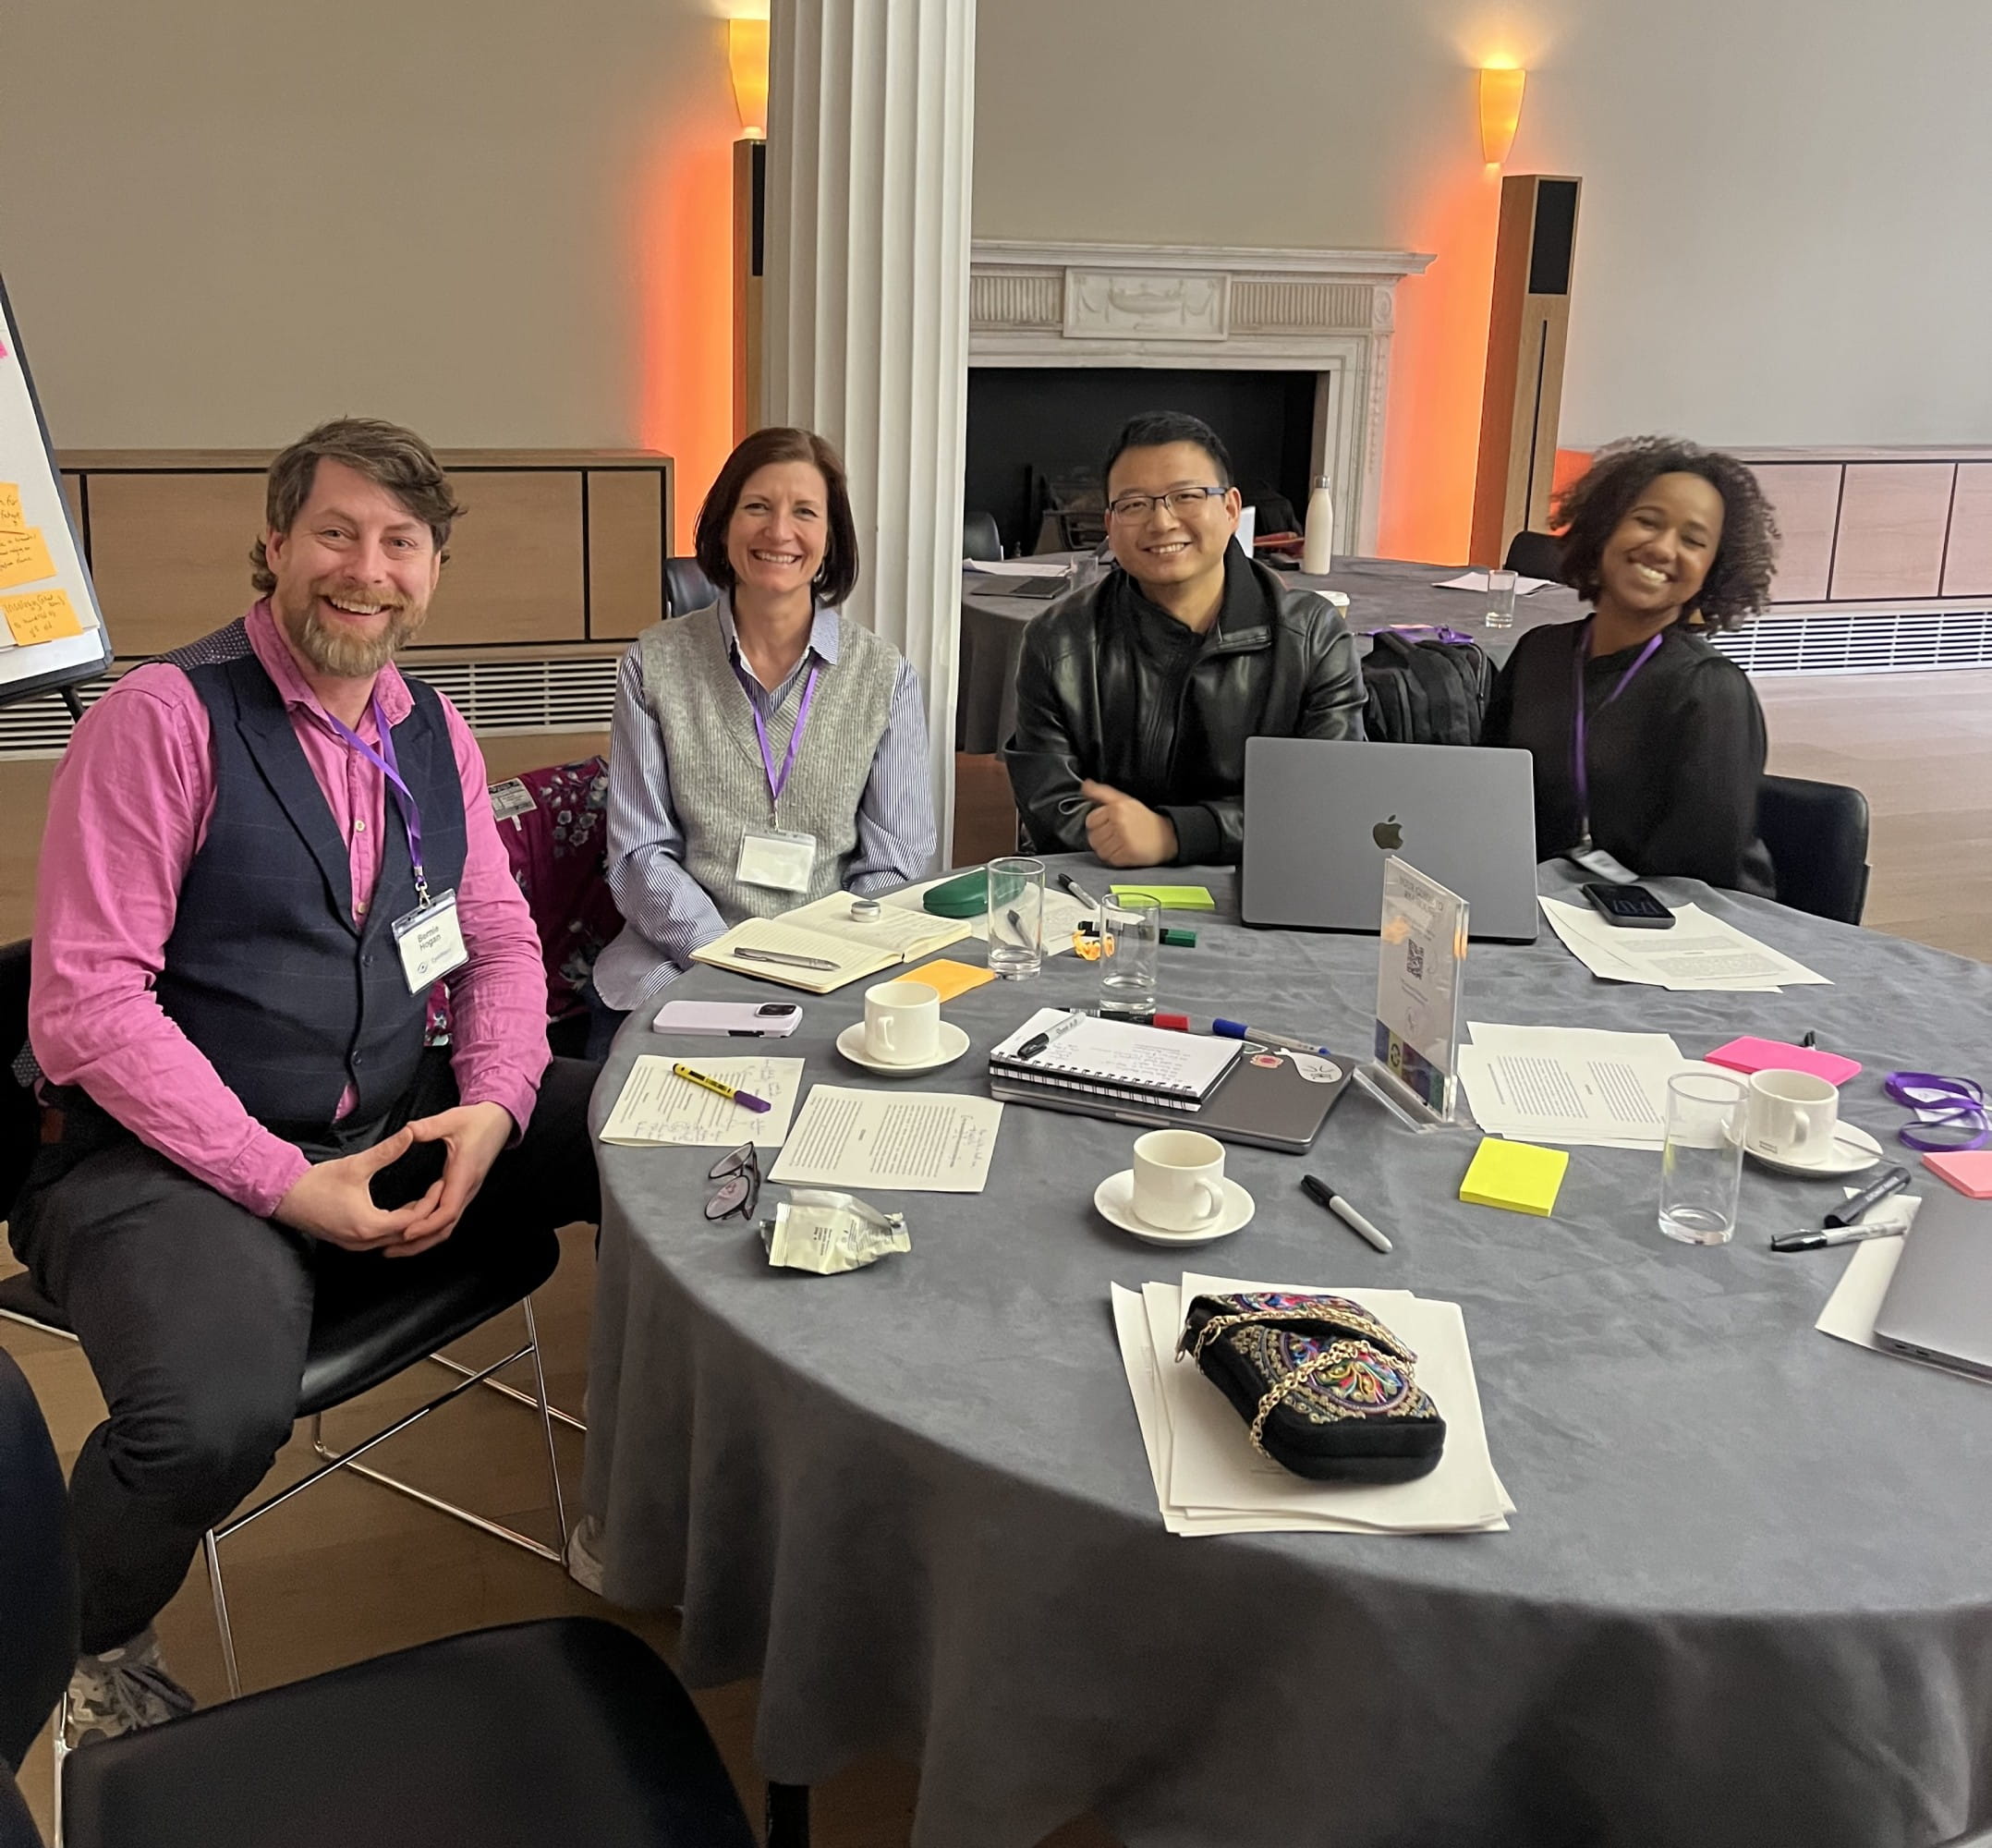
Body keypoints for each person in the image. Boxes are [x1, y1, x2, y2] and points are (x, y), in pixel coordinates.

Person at [13, 418, 600, 1745]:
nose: (367, 568)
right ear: (275, 546)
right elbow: (86, 1007)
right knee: (207, 1419)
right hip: (164, 1163)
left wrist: (495, 1111)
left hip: (393, 1109)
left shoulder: (434, 731)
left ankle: (676, 1480)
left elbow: (499, 939)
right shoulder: (162, 719)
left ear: (432, 568)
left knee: (653, 1133)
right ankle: (81, 1638)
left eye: (401, 542)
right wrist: (286, 1185)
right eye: (336, 532)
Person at [589, 427, 935, 1040]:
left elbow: (895, 860)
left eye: (804, 512)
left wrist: (826, 956)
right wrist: (726, 959)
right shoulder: (653, 664)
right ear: (725, 525)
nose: (779, 532)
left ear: (830, 542)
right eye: (757, 507)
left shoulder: (885, 676)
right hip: (678, 965)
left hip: (833, 968)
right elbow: (641, 852)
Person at [1003, 410, 1364, 869]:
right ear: (1110, 526)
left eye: (1186, 496)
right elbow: (1051, 805)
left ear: (1231, 509)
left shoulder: (1312, 637)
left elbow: (1328, 806)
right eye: (1135, 504)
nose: (1162, 522)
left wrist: (1176, 835)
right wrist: (1122, 837)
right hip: (1104, 890)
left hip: (1263, 886)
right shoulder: (1059, 641)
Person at [1482, 437, 1779, 894]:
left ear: (1712, 570)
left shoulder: (1710, 690)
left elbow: (1699, 879)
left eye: (1693, 540)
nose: (1662, 548)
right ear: (1604, 530)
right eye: (1646, 521)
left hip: (1670, 927)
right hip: (1540, 905)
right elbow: (1488, 802)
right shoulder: (1540, 653)